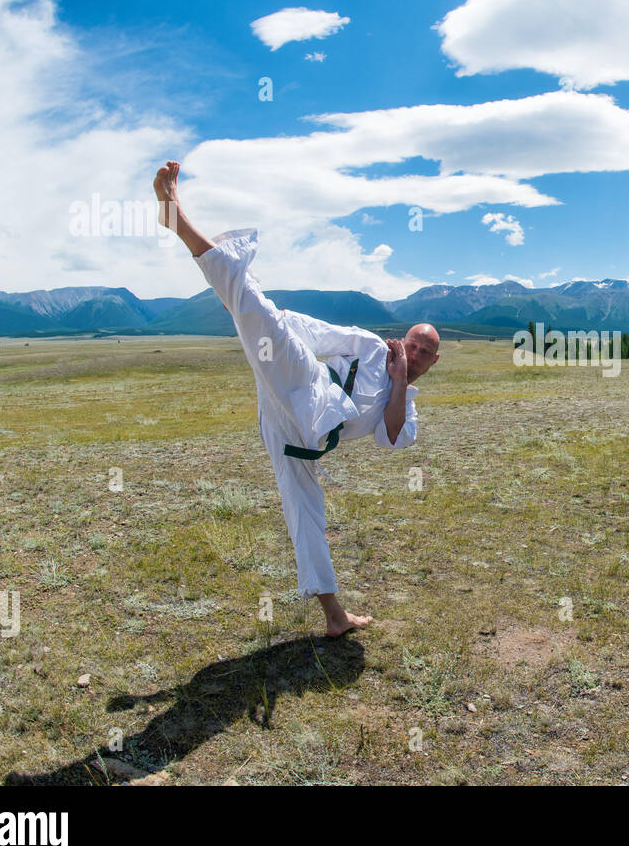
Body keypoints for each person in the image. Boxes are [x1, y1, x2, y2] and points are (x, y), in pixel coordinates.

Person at [153, 160, 440, 636]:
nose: (414, 353)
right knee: (260, 312)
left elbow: (391, 439)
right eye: (411, 344)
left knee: (307, 518)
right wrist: (274, 328)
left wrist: (397, 380)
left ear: (431, 364)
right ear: (401, 338)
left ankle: (335, 618)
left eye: (424, 353)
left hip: (302, 439)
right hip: (304, 388)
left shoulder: (404, 400)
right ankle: (177, 219)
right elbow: (313, 331)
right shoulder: (369, 344)